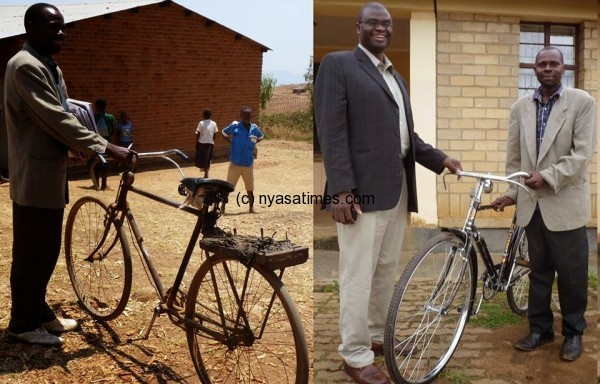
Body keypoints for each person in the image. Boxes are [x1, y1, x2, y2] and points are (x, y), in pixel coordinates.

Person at [313, 3, 462, 384]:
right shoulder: (339, 64)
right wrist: (342, 190)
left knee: (383, 272)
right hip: (359, 194)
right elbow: (331, 131)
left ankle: (377, 336)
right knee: (357, 275)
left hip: (396, 191)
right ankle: (355, 353)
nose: (381, 28)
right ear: (358, 27)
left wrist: (441, 158)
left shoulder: (397, 78)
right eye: (374, 22)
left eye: (387, 23)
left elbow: (405, 139)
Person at [4, 3, 131, 346]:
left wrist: (79, 143)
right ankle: (21, 324)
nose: (60, 33)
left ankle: (39, 311)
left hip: (51, 170)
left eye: (63, 27)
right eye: (52, 27)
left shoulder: (49, 66)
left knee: (46, 250)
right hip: (35, 176)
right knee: (31, 252)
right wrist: (103, 146)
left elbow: (62, 115)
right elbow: (54, 118)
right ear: (30, 27)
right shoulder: (24, 67)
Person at [491, 46, 595, 362]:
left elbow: (581, 154)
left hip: (565, 204)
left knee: (572, 275)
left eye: (554, 63)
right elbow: (513, 158)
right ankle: (540, 329)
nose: (547, 68)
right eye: (541, 63)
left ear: (563, 68)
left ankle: (574, 333)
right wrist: (511, 192)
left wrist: (547, 176)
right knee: (539, 272)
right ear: (534, 70)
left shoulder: (582, 103)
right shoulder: (520, 107)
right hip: (531, 205)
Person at [221, 106, 264, 213]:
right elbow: (224, 133)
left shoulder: (254, 128)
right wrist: (231, 143)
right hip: (235, 163)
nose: (246, 117)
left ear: (251, 116)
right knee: (228, 187)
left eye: (248, 116)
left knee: (250, 188)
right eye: (244, 115)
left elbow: (261, 136)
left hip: (248, 163)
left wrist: (254, 143)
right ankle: (222, 208)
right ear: (241, 116)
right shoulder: (235, 125)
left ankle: (251, 208)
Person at [89, 98, 117, 190]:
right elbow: (114, 130)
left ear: (96, 106)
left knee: (96, 163)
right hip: (106, 143)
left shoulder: (92, 117)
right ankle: (104, 185)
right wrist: (108, 138)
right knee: (105, 163)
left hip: (95, 143)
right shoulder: (110, 117)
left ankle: (96, 184)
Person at [195, 108, 218, 178]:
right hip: (210, 144)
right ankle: (206, 172)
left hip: (202, 143)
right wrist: (212, 141)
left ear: (203, 115)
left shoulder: (201, 123)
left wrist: (196, 142)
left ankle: (206, 173)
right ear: (211, 115)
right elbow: (215, 133)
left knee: (202, 158)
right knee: (207, 159)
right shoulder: (214, 123)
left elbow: (198, 133)